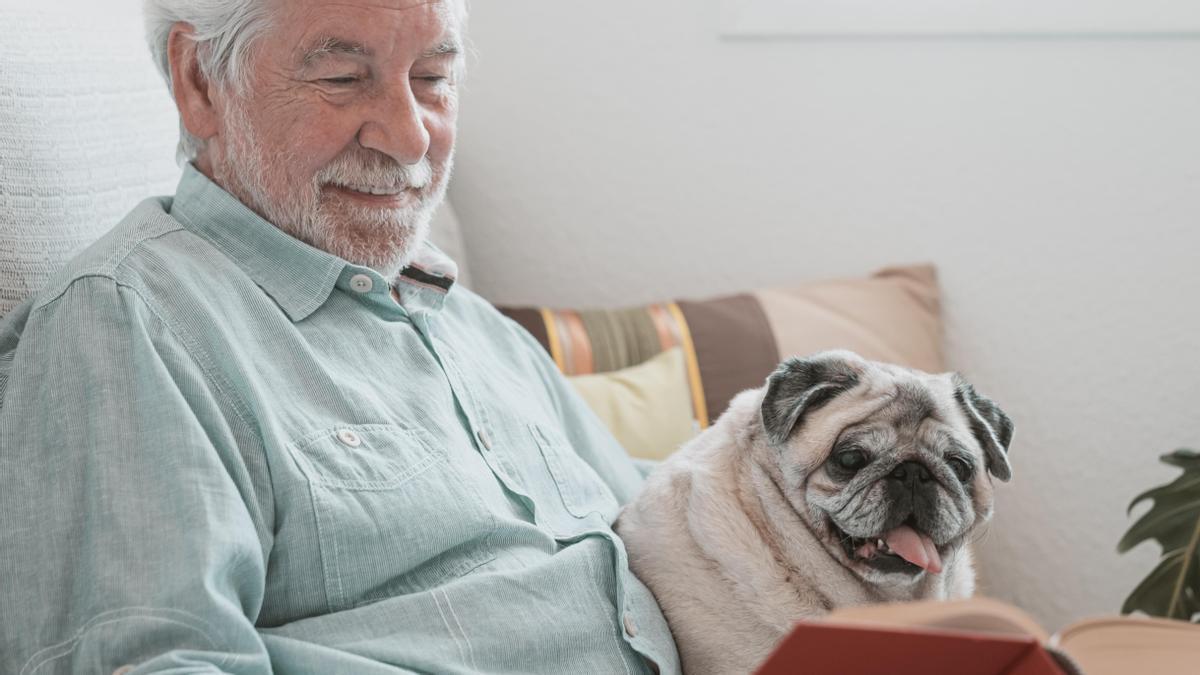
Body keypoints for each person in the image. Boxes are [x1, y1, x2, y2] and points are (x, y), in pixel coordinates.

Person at [0, 1, 680, 673]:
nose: (411, 137)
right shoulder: (128, 324)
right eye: (343, 79)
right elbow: (154, 659)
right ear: (200, 82)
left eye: (432, 80)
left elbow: (656, 528)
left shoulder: (465, 320)